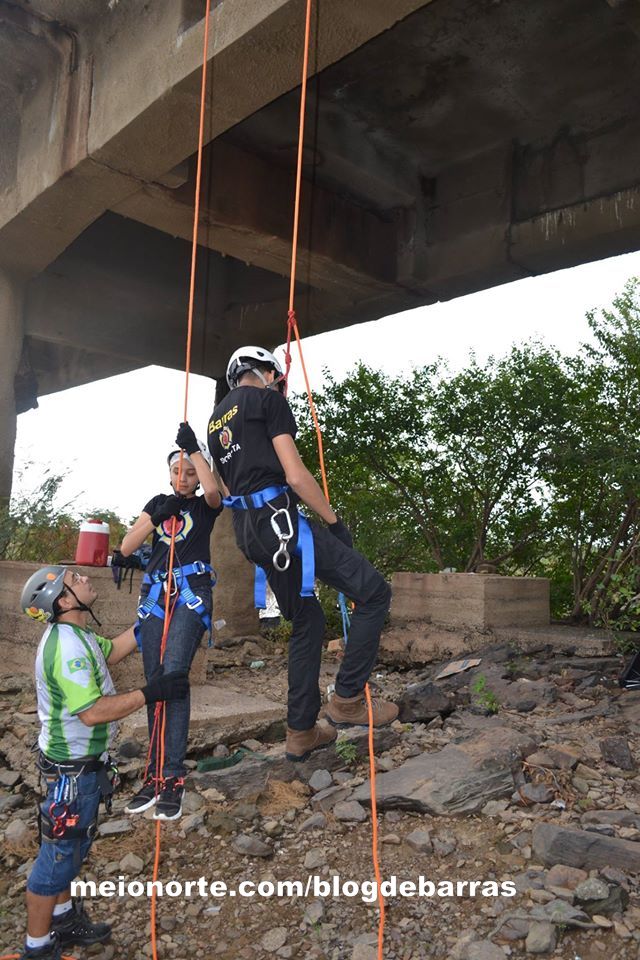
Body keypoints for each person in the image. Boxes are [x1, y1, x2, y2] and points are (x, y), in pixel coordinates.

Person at [207, 346, 398, 763]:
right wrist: (333, 523)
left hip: (250, 534)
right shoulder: (268, 401)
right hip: (282, 525)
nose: (280, 382)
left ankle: (301, 732)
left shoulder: (215, 420)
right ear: (267, 372)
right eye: (277, 375)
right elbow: (294, 474)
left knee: (308, 618)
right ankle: (347, 700)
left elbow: (222, 491)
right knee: (374, 593)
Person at [17, 565, 189, 960]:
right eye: (74, 580)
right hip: (71, 776)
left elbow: (113, 649)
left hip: (82, 769)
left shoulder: (79, 635)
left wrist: (155, 608)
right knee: (57, 858)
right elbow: (92, 712)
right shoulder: (66, 647)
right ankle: (37, 947)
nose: (84, 579)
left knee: (73, 849)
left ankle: (62, 918)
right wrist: (151, 693)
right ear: (63, 601)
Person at [118, 424, 222, 820]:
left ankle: (173, 777)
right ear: (167, 474)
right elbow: (127, 547)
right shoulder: (158, 501)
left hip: (191, 592)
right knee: (154, 683)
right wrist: (157, 515)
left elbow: (213, 492)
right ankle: (153, 774)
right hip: (155, 598)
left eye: (190, 471)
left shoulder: (204, 505)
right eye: (177, 470)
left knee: (175, 677)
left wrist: (195, 450)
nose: (183, 477)